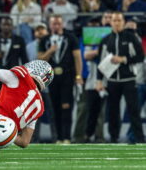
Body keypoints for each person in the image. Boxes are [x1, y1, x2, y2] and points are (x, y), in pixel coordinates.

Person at [95, 12, 145, 143]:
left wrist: (123, 59)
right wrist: (99, 80)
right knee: (112, 112)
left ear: (123, 22)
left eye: (119, 20)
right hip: (112, 82)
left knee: (134, 111)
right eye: (114, 20)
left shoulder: (131, 38)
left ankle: (139, 139)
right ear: (110, 22)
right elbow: (100, 63)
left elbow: (140, 56)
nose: (116, 23)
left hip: (129, 80)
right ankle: (113, 138)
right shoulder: (105, 40)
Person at [38, 15, 83, 144]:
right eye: (54, 24)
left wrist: (78, 75)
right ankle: (58, 138)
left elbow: (77, 58)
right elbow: (40, 59)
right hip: (51, 78)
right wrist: (50, 51)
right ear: (50, 25)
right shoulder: (45, 40)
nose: (56, 26)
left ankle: (67, 137)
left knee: (66, 107)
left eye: (58, 23)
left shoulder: (71, 38)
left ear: (62, 24)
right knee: (55, 108)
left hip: (67, 77)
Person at [0, 17, 28, 97]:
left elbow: (25, 60)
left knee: (13, 104)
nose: (6, 27)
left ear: (12, 26)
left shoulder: (19, 40)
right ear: (0, 25)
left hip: (13, 77)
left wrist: (25, 78)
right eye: (4, 24)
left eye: (9, 24)